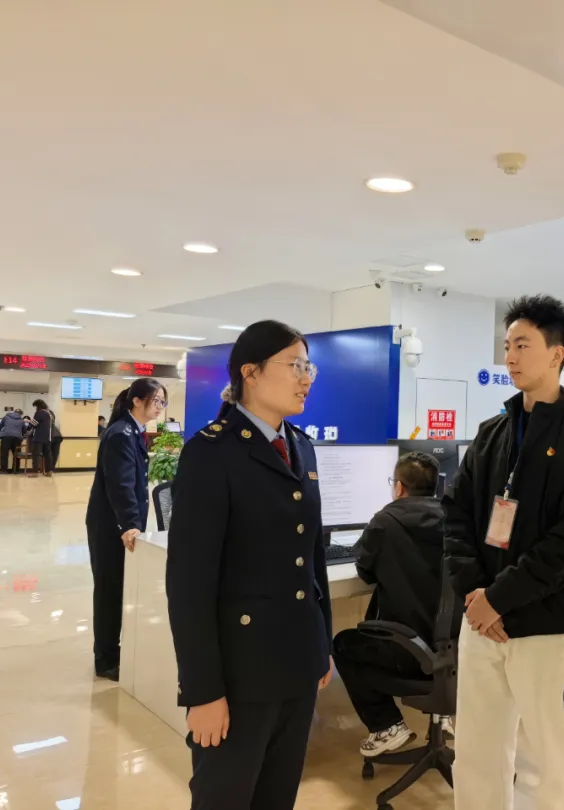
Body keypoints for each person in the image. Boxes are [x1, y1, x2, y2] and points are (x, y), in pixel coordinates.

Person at [444, 295, 564, 810]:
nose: (510, 357)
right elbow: (456, 516)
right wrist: (476, 594)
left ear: (556, 354)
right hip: (481, 622)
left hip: (547, 628)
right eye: (507, 346)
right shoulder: (491, 434)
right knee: (476, 752)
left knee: (555, 761)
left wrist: (499, 598)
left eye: (522, 345)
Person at [166, 320, 332, 810]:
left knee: (277, 797)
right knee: (224, 797)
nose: (306, 378)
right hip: (239, 675)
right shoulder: (211, 453)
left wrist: (320, 645)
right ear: (250, 373)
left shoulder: (301, 446)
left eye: (309, 367)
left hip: (296, 666)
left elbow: (313, 557)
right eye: (295, 365)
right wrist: (202, 691)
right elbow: (189, 584)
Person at [333, 450, 452, 757]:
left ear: (399, 487)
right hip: (453, 653)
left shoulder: (385, 522)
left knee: (343, 644)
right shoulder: (455, 520)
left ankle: (386, 725)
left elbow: (365, 571)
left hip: (407, 652)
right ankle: (446, 714)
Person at [84, 378, 166, 681]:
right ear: (137, 401)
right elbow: (120, 485)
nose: (160, 407)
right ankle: (106, 660)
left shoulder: (131, 431)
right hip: (111, 526)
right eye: (156, 400)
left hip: (119, 524)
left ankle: (113, 651)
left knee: (118, 590)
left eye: (163, 402)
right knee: (109, 592)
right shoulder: (121, 434)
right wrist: (130, 524)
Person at [29, 399, 55, 476]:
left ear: (38, 406)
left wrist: (28, 426)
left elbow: (34, 424)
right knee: (48, 455)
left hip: (39, 437)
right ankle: (49, 471)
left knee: (36, 455)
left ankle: (35, 472)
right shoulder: (50, 413)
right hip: (48, 437)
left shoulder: (40, 412)